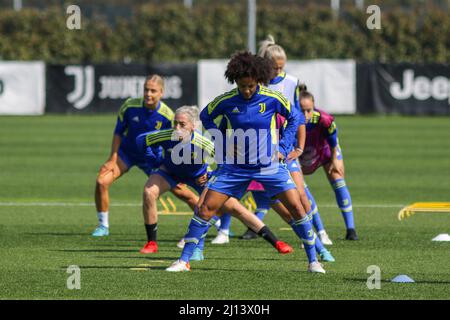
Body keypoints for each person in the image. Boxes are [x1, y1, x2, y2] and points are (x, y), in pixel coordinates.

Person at [166, 51, 325, 273]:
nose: (247, 90)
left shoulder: (272, 98)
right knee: (204, 208)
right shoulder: (228, 100)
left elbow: (295, 117)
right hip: (234, 167)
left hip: (269, 167)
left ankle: (313, 262)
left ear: (258, 80)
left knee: (297, 208)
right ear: (236, 82)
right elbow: (206, 116)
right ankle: (184, 261)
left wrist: (283, 147)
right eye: (242, 86)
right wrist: (221, 141)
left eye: (250, 86)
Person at [136, 105, 293, 257]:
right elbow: (141, 140)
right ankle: (152, 243)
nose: (177, 128)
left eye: (182, 124)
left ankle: (276, 242)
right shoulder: (167, 135)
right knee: (149, 192)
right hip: (169, 173)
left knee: (235, 208)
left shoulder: (203, 142)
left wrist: (211, 177)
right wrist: (155, 162)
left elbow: (225, 162)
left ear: (193, 126)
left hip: (198, 177)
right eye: (175, 123)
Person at [229, 35, 333, 246]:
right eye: (275, 68)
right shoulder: (251, 84)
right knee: (240, 193)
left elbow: (297, 117)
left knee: (301, 195)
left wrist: (297, 147)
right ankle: (222, 232)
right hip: (259, 151)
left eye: (281, 67)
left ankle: (319, 236)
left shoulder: (292, 82)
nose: (279, 71)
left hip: (282, 149)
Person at [92, 75, 198, 237]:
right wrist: (112, 158)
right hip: (127, 154)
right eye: (146, 90)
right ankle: (103, 226)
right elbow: (118, 132)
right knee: (101, 181)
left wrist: (174, 167)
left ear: (161, 93)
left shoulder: (168, 116)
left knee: (183, 192)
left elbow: (174, 144)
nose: (148, 94)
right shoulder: (129, 106)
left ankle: (216, 222)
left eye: (153, 91)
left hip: (152, 159)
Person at [298, 87, 359, 240]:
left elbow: (333, 141)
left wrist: (334, 159)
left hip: (324, 150)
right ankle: (319, 231)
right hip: (301, 153)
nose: (306, 115)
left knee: (337, 177)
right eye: (302, 110)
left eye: (309, 110)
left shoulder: (324, 119)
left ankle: (351, 230)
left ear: (314, 106)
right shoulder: (290, 119)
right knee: (300, 190)